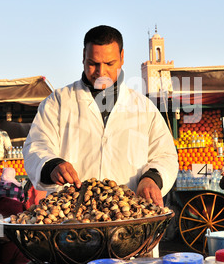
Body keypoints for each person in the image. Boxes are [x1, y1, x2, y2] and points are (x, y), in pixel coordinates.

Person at [23, 25, 178, 208]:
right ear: (83, 57)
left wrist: (152, 178)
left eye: (109, 64)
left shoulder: (143, 108)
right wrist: (51, 165)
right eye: (93, 63)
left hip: (128, 220)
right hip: (71, 219)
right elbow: (36, 146)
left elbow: (166, 155)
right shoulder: (58, 102)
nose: (100, 72)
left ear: (121, 58)